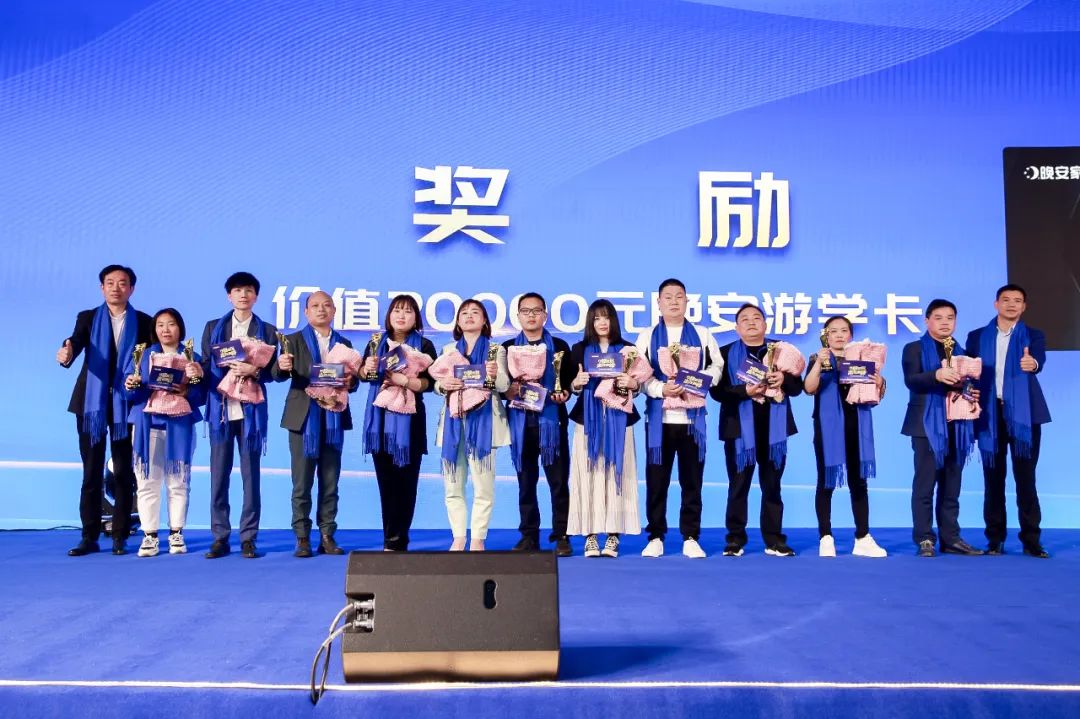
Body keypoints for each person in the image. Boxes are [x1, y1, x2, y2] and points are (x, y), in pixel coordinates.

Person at [57, 264, 154, 556]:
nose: (116, 288)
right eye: (110, 283)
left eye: (122, 283)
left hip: (126, 404)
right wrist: (66, 354)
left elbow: (151, 360)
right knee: (91, 471)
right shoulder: (88, 318)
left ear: (131, 289)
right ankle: (89, 536)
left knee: (123, 471)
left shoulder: (144, 321)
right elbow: (74, 343)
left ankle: (120, 536)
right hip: (91, 405)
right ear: (102, 288)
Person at [635, 279, 723, 558]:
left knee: (692, 482)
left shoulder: (703, 334)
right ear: (659, 303)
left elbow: (717, 366)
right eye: (668, 297)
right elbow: (638, 374)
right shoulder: (647, 335)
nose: (674, 301)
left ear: (687, 301)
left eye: (679, 296)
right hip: (659, 421)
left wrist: (697, 382)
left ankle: (691, 537)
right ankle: (655, 536)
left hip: (692, 422)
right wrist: (661, 389)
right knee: (656, 483)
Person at [965, 284, 1051, 558]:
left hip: (1025, 416)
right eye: (1006, 300)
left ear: (1024, 307)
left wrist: (1032, 364)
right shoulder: (977, 337)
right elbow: (969, 373)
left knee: (1026, 479)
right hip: (990, 415)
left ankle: (1031, 540)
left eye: (1017, 300)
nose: (1011, 304)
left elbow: (1038, 361)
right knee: (993, 480)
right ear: (996, 304)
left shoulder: (1033, 335)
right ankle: (995, 539)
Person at [712, 304, 802, 557]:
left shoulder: (781, 351)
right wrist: (745, 391)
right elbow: (716, 391)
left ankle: (774, 540)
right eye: (744, 319)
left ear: (765, 324)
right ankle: (735, 540)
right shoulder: (725, 353)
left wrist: (784, 379)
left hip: (774, 430)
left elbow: (797, 388)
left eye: (756, 318)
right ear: (736, 327)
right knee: (738, 486)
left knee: (772, 486)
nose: (751, 322)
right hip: (739, 431)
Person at [273, 291, 358, 557]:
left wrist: (350, 381)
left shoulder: (344, 342)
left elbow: (353, 381)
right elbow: (278, 375)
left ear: (334, 311)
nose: (321, 309)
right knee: (302, 483)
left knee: (330, 481)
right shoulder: (293, 341)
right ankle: (302, 537)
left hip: (333, 418)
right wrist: (281, 365)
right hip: (303, 418)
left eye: (327, 305)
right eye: (315, 306)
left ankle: (327, 535)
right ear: (306, 312)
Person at [200, 271, 279, 559]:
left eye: (248, 290)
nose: (243, 295)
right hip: (221, 408)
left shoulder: (267, 331)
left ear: (256, 296)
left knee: (250, 476)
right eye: (237, 290)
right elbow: (206, 364)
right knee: (218, 475)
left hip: (251, 411)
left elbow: (275, 372)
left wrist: (254, 370)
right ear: (229, 296)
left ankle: (248, 537)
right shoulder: (214, 327)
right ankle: (220, 537)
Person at [901, 299, 984, 557]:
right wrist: (936, 375)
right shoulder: (914, 348)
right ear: (927, 321)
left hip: (957, 425)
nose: (945, 322)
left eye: (950, 318)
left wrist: (971, 392)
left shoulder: (963, 353)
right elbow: (911, 380)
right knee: (925, 485)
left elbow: (969, 385)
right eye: (938, 317)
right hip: (925, 425)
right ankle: (925, 538)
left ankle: (951, 538)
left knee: (952, 486)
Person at [803, 316, 887, 558]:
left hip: (857, 426)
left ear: (850, 335)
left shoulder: (862, 358)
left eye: (843, 331)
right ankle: (825, 537)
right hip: (828, 429)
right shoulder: (818, 358)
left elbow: (877, 394)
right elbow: (809, 388)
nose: (839, 335)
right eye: (833, 331)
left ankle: (862, 537)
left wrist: (879, 381)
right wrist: (819, 363)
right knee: (826, 481)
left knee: (859, 483)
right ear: (826, 336)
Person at [124, 309, 206, 557]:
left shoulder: (192, 357)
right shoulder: (142, 355)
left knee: (178, 481)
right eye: (160, 325)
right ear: (155, 329)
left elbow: (202, 395)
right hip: (148, 424)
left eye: (171, 324)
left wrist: (190, 388)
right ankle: (149, 536)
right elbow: (128, 392)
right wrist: (131, 384)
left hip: (179, 425)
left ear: (180, 328)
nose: (166, 329)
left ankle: (176, 533)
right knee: (147, 483)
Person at [360, 294, 438, 552]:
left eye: (407, 311)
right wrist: (366, 368)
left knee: (407, 483)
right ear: (389, 316)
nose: (401, 316)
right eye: (396, 310)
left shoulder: (424, 345)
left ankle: (400, 538)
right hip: (380, 420)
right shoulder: (376, 342)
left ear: (416, 318)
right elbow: (363, 375)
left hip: (411, 420)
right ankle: (390, 539)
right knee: (387, 483)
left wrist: (407, 382)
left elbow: (430, 383)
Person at [431, 299, 510, 551]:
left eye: (475, 312)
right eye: (464, 313)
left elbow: (504, 386)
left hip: (485, 423)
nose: (469, 316)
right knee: (453, 486)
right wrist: (443, 385)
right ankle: (458, 537)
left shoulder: (495, 350)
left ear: (484, 321)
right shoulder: (447, 350)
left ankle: (477, 538)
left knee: (483, 486)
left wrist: (493, 375)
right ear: (457, 322)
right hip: (453, 424)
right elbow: (436, 384)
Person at [566, 299, 643, 558]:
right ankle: (590, 535)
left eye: (606, 317)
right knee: (588, 474)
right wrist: (576, 383)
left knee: (619, 474)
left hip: (620, 420)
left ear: (614, 321)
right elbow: (570, 386)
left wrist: (634, 384)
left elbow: (638, 386)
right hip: (588, 422)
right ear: (591, 321)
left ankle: (613, 535)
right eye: (597, 317)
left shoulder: (629, 349)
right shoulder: (578, 350)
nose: (602, 322)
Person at [503, 293, 576, 556]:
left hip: (551, 423)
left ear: (545, 315)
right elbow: (500, 387)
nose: (531, 315)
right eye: (526, 311)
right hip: (521, 424)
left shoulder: (560, 346)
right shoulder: (507, 348)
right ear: (518, 316)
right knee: (525, 483)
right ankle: (528, 535)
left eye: (536, 310)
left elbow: (566, 383)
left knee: (559, 482)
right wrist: (509, 391)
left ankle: (562, 535)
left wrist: (564, 393)